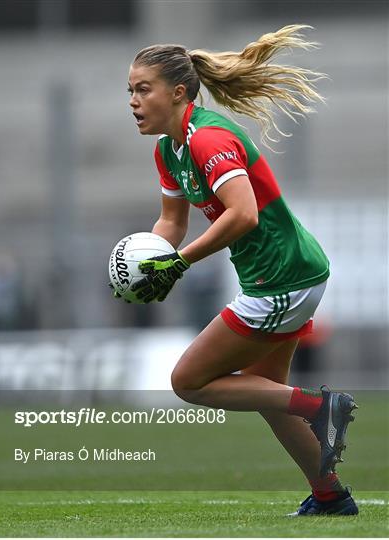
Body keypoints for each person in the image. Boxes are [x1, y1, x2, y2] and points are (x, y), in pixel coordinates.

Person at [115, 25, 359, 516]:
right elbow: (171, 221)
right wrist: (146, 264)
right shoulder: (170, 149)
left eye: (144, 89)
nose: (134, 101)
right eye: (130, 91)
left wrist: (179, 263)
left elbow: (242, 213)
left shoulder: (209, 138)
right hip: (282, 275)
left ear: (178, 92)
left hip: (281, 278)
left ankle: (321, 409)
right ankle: (331, 497)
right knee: (267, 394)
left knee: (188, 381)